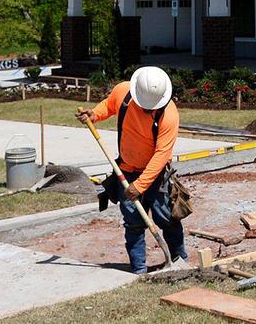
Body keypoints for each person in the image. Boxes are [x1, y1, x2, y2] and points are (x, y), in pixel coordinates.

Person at [76, 66, 188, 272]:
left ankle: (179, 261)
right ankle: (139, 269)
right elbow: (109, 105)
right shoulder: (123, 92)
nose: (148, 110)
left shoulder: (169, 114)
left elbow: (162, 154)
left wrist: (141, 185)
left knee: (167, 218)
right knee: (133, 222)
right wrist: (95, 115)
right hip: (126, 171)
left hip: (156, 175)